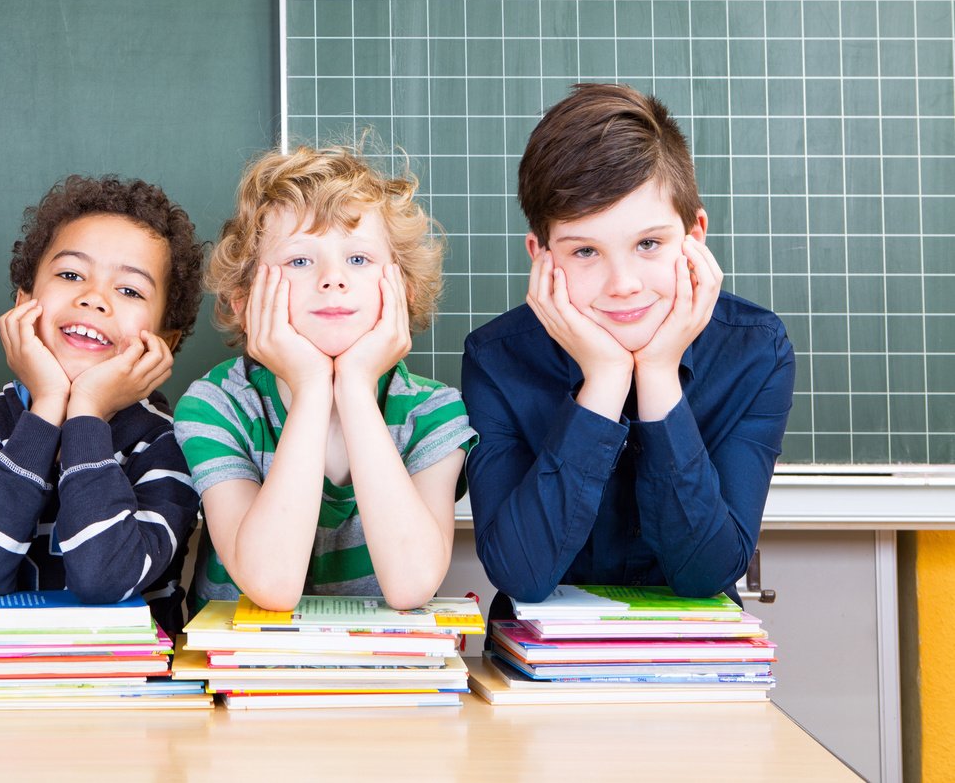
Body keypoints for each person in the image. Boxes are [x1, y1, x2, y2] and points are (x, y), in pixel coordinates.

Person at [465, 84, 794, 605]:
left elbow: (705, 572)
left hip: (698, 668)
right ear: (541, 255)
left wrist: (658, 375)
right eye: (586, 251)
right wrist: (605, 379)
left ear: (695, 234)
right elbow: (522, 574)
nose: (623, 283)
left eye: (648, 244)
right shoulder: (496, 358)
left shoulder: (754, 350)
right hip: (542, 674)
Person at [175, 143, 473, 614]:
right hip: (247, 678)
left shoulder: (431, 413)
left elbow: (412, 585)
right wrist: (314, 387)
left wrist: (353, 387)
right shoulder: (215, 405)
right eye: (299, 261)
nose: (333, 278)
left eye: (358, 259)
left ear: (404, 289)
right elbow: (271, 585)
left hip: (381, 679)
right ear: (243, 300)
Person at [0, 177, 204, 634]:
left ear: (164, 343)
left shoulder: (172, 444)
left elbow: (105, 577)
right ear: (24, 304)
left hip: (140, 694)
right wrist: (49, 406)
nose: (93, 298)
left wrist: (87, 411)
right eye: (71, 274)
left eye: (130, 290)